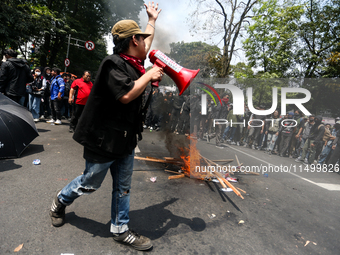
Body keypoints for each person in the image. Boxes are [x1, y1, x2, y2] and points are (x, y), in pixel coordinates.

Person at [49, 3, 162, 251]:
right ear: (133, 41)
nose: (147, 44)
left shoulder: (133, 61)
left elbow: (146, 43)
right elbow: (125, 95)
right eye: (142, 40)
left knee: (123, 187)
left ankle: (120, 229)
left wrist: (151, 20)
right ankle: (60, 200)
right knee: (90, 182)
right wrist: (149, 75)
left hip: (125, 139)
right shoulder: (113, 64)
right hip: (103, 139)